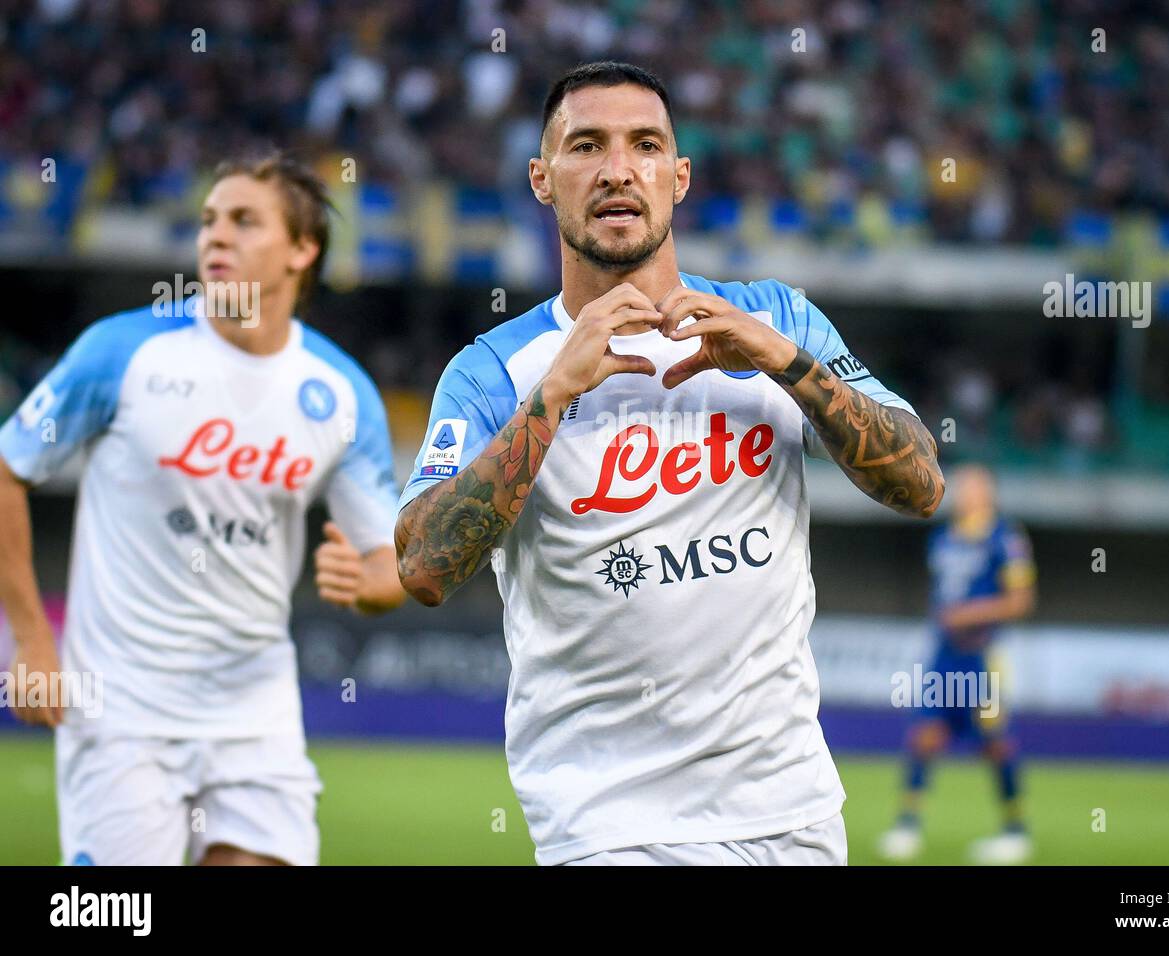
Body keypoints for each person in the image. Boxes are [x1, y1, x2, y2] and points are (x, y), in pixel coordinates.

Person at [395, 62, 944, 866]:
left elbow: (922, 484)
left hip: (794, 817)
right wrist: (549, 401)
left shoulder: (776, 318)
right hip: (612, 827)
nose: (618, 170)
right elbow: (422, 565)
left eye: (645, 145)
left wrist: (786, 362)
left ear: (678, 178)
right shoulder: (493, 371)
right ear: (542, 181)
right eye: (587, 146)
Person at [0, 152, 406, 865]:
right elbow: (8, 471)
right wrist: (32, 639)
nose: (215, 237)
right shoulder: (122, 352)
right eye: (209, 221)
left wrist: (367, 586)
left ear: (302, 250)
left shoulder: (340, 393)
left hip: (256, 712)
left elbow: (389, 567)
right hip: (121, 710)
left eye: (245, 221)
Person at [877, 463, 1036, 864]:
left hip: (982, 657)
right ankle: (907, 825)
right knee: (924, 736)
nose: (965, 493)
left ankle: (1015, 831)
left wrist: (967, 615)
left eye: (974, 487)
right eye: (961, 486)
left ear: (990, 494)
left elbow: (1020, 601)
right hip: (943, 656)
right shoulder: (943, 538)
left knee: (996, 744)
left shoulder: (1006, 538)